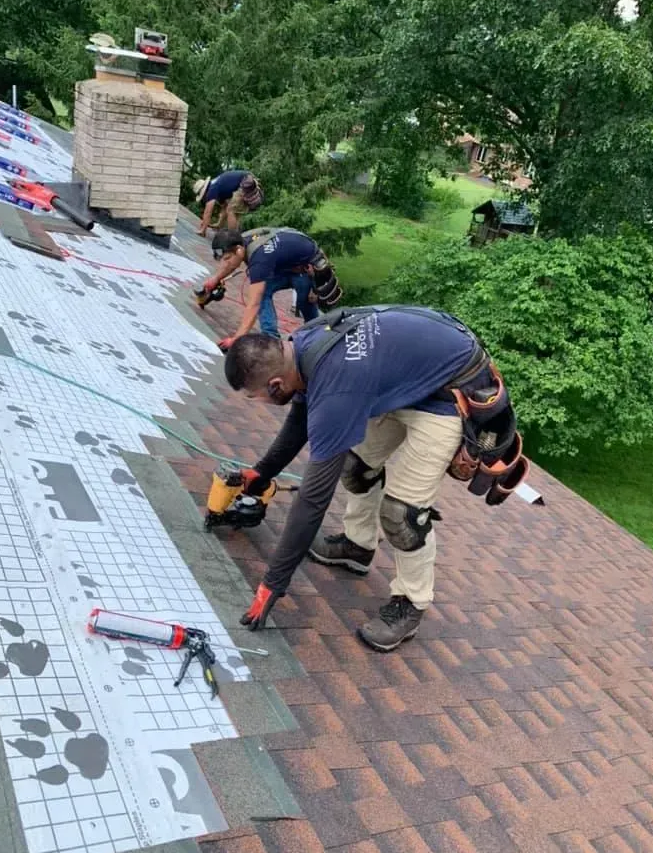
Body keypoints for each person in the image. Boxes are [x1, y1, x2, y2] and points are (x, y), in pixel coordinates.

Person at [223, 305, 526, 651]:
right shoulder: (298, 347)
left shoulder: (336, 384)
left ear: (275, 385)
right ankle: (358, 545)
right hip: (405, 379)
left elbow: (313, 498)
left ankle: (411, 603)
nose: (258, 401)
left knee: (402, 515)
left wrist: (272, 584)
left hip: (450, 394)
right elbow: (300, 419)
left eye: (255, 396)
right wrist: (262, 473)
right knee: (356, 467)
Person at [203, 228, 326, 351]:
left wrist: (237, 339)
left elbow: (254, 304)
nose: (226, 262)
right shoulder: (240, 241)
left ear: (239, 250)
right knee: (263, 291)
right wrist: (216, 279)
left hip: (308, 268)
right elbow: (231, 263)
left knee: (306, 307)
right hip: (288, 265)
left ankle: (320, 342)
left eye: (227, 258)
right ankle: (271, 339)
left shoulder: (259, 259)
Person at [194, 170, 263, 236]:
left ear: (204, 191)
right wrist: (219, 224)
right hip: (248, 180)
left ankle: (232, 238)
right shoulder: (218, 188)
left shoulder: (211, 190)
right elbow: (224, 207)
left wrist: (203, 230)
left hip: (246, 180)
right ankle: (234, 236)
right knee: (234, 211)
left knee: (231, 211)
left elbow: (208, 212)